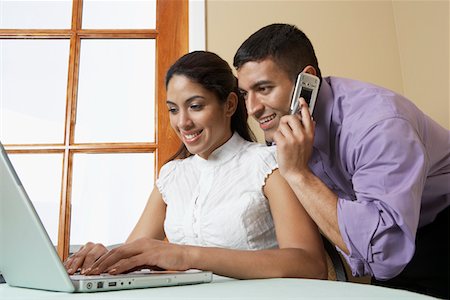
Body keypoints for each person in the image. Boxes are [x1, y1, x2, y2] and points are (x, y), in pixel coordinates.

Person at [64, 51, 327, 280]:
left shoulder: (268, 165)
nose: (183, 123)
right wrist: (104, 257)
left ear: (230, 105)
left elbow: (310, 264)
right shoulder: (172, 175)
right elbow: (135, 251)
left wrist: (187, 255)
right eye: (173, 110)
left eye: (195, 106)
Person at [234, 23, 449, 298]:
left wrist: (298, 174)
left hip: (437, 226)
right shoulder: (285, 125)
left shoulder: (379, 125)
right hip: (391, 242)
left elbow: (386, 254)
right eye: (244, 94)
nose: (252, 108)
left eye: (263, 88)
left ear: (306, 81)